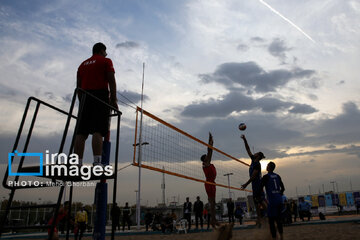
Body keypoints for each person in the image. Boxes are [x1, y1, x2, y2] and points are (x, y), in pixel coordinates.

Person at [74, 42, 118, 166]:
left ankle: (77, 163)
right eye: (105, 51)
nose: (106, 54)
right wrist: (113, 100)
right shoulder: (106, 61)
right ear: (101, 51)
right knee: (98, 130)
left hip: (84, 98)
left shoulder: (82, 65)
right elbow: (112, 81)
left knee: (81, 132)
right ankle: (97, 162)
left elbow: (78, 88)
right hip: (100, 96)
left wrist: (82, 102)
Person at [240, 134, 267, 226]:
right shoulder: (253, 160)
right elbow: (248, 149)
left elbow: (253, 177)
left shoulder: (257, 164)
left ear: (258, 156)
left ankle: (270, 216)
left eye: (257, 153)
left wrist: (245, 184)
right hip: (255, 185)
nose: (254, 153)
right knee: (256, 203)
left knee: (261, 201)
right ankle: (259, 220)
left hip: (258, 184)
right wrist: (244, 139)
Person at [261, 161, 285, 240]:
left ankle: (274, 238)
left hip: (272, 201)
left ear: (269, 167)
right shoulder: (277, 176)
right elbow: (283, 188)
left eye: (267, 165)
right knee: (278, 220)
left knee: (271, 221)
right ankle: (281, 237)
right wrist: (278, 194)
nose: (266, 167)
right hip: (279, 200)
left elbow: (260, 187)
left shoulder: (266, 177)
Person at [201, 132, 219, 228]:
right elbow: (209, 151)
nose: (208, 157)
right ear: (204, 159)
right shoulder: (206, 163)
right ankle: (213, 220)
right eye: (206, 157)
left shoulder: (208, 163)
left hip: (212, 183)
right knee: (212, 203)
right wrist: (210, 142)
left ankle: (213, 220)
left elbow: (210, 151)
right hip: (209, 183)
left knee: (213, 203)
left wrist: (211, 142)